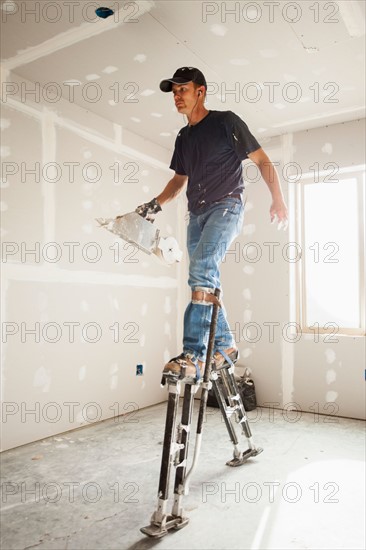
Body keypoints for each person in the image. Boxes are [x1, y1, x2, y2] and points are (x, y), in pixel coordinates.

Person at [135, 67, 288, 382]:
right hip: (197, 214)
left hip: (226, 206)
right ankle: (227, 347)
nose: (177, 96)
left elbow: (262, 160)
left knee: (203, 267)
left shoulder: (225, 122)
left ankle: (194, 354)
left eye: (183, 90)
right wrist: (153, 205)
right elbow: (179, 180)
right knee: (201, 280)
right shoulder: (183, 137)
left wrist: (278, 198)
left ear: (200, 91)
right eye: (174, 92)